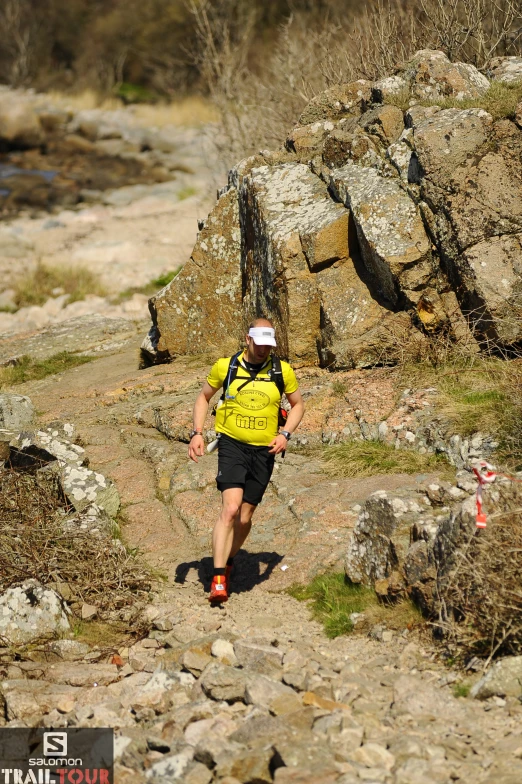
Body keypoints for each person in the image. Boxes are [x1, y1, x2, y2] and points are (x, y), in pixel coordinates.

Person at [188, 317, 305, 602]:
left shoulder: (282, 370)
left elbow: (298, 404)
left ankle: (227, 560)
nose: (264, 349)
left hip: (264, 451)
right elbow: (203, 398)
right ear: (248, 339)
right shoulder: (225, 366)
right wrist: (197, 433)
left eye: (269, 345)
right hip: (232, 445)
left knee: (245, 516)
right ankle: (217, 580)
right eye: (260, 343)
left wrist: (286, 435)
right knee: (230, 509)